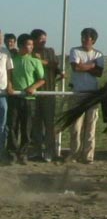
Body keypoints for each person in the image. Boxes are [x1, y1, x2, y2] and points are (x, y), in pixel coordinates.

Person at [66, 28, 104, 164]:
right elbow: (76, 67)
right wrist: (92, 65)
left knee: (90, 127)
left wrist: (85, 66)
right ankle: (74, 155)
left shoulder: (98, 54)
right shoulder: (75, 51)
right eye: (82, 37)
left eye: (87, 38)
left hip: (92, 94)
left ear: (93, 40)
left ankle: (88, 156)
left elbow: (99, 73)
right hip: (77, 93)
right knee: (76, 127)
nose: (84, 40)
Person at [7, 34, 45, 165]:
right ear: (22, 45)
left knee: (26, 127)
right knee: (12, 125)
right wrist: (10, 86)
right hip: (14, 97)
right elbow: (9, 76)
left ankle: (23, 153)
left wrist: (33, 87)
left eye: (32, 45)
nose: (31, 47)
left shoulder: (35, 61)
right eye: (29, 45)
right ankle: (12, 152)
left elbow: (42, 79)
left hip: (29, 99)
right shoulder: (12, 60)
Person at [30, 29, 63, 162]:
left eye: (45, 38)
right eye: (41, 39)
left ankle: (50, 151)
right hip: (33, 93)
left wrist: (40, 61)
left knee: (49, 124)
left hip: (48, 92)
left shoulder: (49, 51)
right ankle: (37, 150)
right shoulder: (29, 52)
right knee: (36, 124)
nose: (44, 41)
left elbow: (55, 64)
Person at [0, 31, 12, 164]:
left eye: (1, 37)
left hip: (2, 92)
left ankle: (1, 151)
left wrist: (9, 84)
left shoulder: (5, 52)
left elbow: (9, 70)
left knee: (2, 124)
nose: (0, 39)